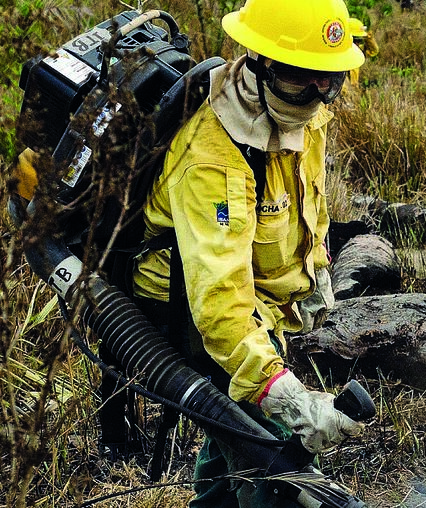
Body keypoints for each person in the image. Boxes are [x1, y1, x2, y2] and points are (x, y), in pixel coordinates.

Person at [129, 0, 366, 504]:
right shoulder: (214, 159)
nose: (322, 91)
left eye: (333, 77)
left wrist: (315, 268)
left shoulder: (305, 110)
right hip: (188, 302)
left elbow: (311, 198)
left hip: (253, 293)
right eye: (304, 74)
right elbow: (220, 307)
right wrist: (287, 397)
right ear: (260, 62)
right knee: (279, 462)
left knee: (236, 435)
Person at [346, 18, 379, 90]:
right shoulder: (338, 55)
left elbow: (373, 51)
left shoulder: (358, 51)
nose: (357, 43)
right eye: (355, 40)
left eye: (359, 40)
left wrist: (369, 39)